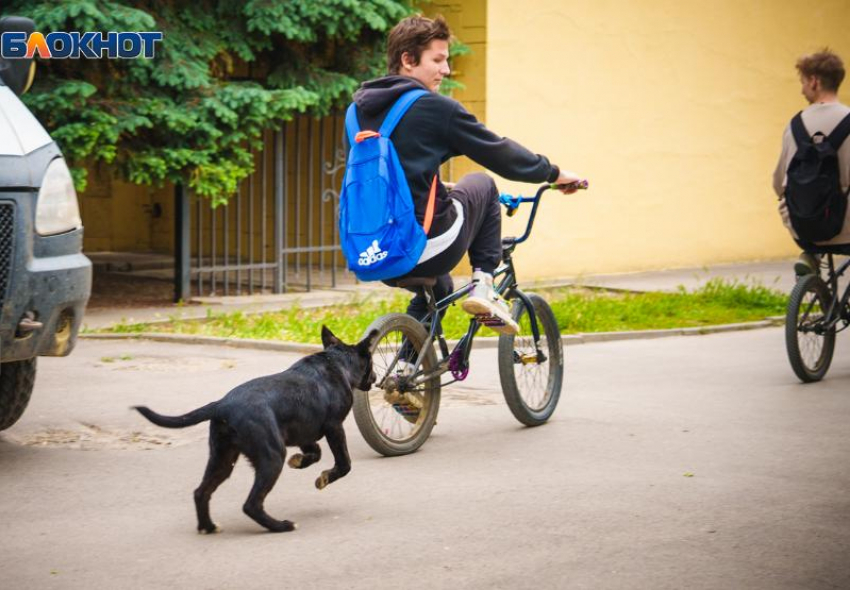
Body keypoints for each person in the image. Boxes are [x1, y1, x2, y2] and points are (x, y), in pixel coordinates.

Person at [347, 15, 583, 335]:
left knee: (440, 289)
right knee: (482, 183)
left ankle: (405, 367)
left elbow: (391, 173)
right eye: (438, 59)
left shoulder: (357, 112)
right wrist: (553, 173)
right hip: (424, 244)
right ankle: (484, 285)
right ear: (408, 60)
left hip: (375, 250)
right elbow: (497, 152)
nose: (446, 70)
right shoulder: (435, 108)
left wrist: (437, 184)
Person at [773, 49, 850, 276]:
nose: (802, 89)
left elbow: (778, 182)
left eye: (803, 82)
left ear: (814, 81)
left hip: (804, 228)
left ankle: (811, 258)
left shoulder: (794, 126)